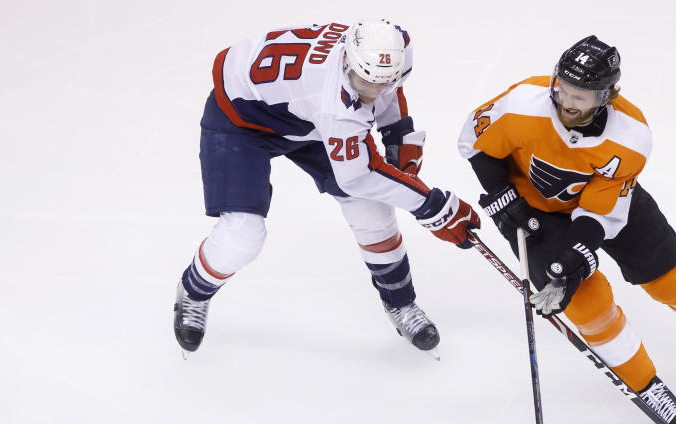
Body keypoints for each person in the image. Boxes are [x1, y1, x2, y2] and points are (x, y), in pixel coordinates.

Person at [457, 35, 676, 424]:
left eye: (582, 96)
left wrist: (578, 252)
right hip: (532, 211)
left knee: (671, 276)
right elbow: (474, 142)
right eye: (563, 89)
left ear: (607, 95)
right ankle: (646, 384)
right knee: (587, 306)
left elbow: (600, 211)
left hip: (606, 206)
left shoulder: (631, 135)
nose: (568, 102)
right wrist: (504, 198)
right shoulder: (522, 102)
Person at [175, 19, 480, 356]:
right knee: (242, 235)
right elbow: (359, 176)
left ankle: (400, 304)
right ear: (346, 61)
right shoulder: (333, 102)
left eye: (381, 83)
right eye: (363, 83)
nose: (372, 93)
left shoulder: (393, 46)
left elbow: (388, 90)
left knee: (371, 209)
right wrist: (433, 206)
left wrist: (397, 134)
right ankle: (194, 291)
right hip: (241, 120)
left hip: (304, 115)